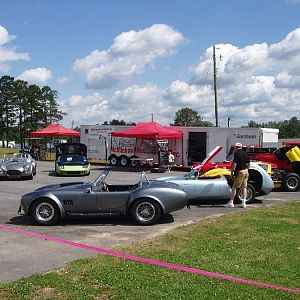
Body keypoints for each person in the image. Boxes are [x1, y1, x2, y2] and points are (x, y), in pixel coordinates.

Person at [226, 142, 250, 208]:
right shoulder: (245, 153)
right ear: (241, 147)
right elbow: (248, 164)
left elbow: (234, 164)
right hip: (246, 171)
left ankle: (231, 202)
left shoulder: (236, 154)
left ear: (236, 148)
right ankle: (244, 203)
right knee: (244, 187)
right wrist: (247, 169)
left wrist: (232, 172)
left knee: (234, 187)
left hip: (240, 172)